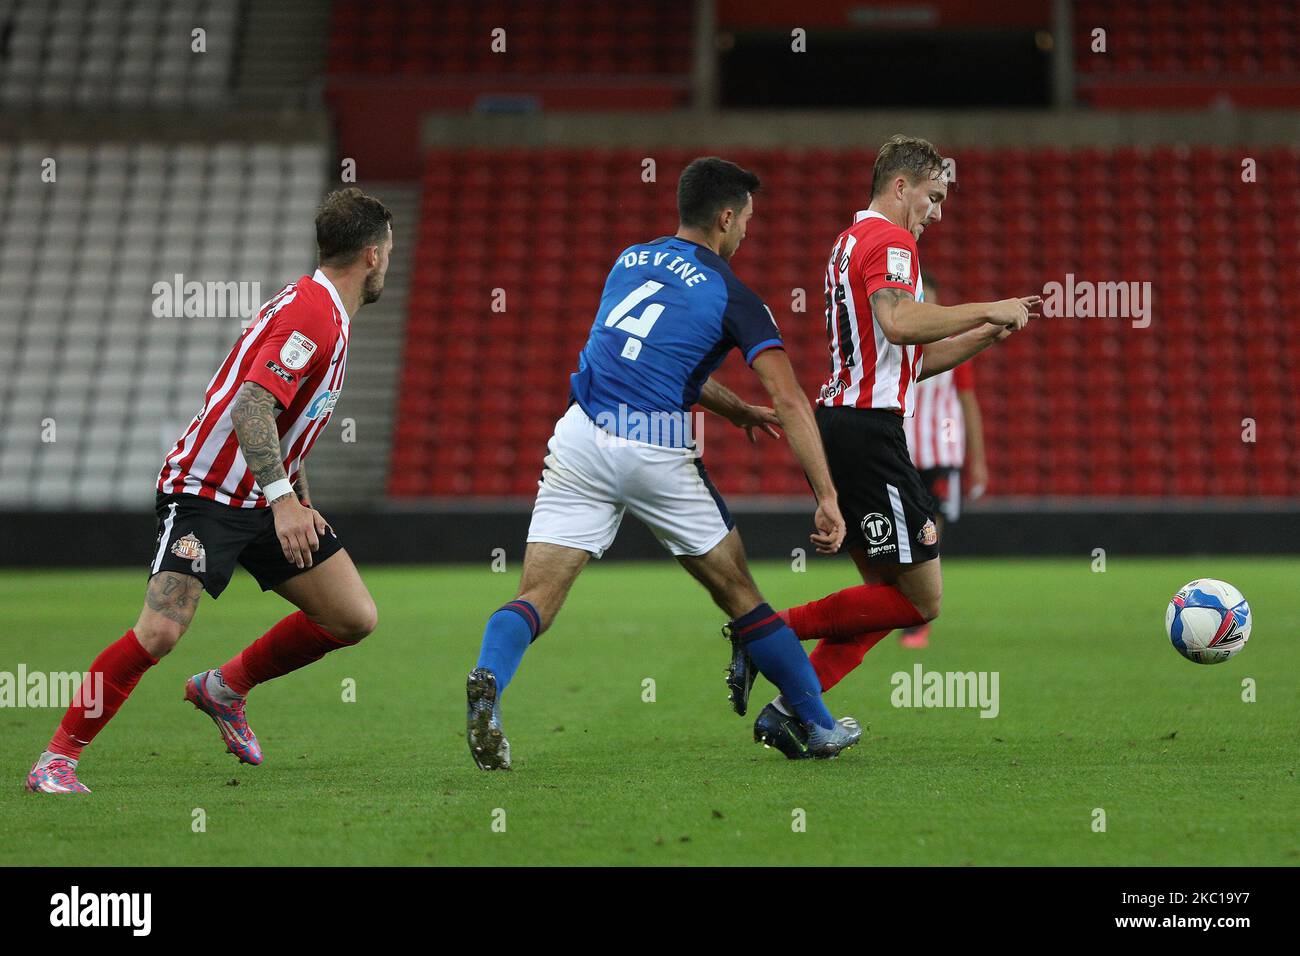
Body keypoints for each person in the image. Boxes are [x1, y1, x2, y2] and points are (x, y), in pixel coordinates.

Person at [465, 157, 861, 770]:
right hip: (653, 446)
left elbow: (646, 355)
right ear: (726, 217)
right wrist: (827, 494)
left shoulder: (630, 260)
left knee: (537, 594)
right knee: (739, 593)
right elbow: (790, 396)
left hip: (580, 435)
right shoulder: (735, 294)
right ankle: (817, 722)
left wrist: (733, 411)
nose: (748, 233)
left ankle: (489, 677)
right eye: (747, 221)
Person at [25, 188, 391, 793]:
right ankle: (55, 761)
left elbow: (283, 422)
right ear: (374, 256)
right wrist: (282, 501)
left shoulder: (328, 315)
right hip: (208, 492)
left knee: (351, 616)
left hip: (266, 497)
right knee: (160, 631)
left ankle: (223, 688)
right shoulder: (313, 314)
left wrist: (296, 495)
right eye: (391, 251)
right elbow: (253, 407)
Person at [727, 136, 1039, 757]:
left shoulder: (849, 243)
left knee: (885, 603)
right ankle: (765, 633)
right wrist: (989, 304)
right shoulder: (892, 242)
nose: (937, 212)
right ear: (902, 187)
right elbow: (899, 322)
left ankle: (794, 714)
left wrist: (985, 333)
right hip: (869, 434)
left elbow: (906, 363)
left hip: (847, 423)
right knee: (923, 602)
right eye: (934, 196)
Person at [898, 272, 990, 648]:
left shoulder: (954, 346)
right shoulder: (898, 342)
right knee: (905, 529)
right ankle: (906, 601)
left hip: (942, 450)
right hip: (903, 449)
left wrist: (977, 460)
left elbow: (967, 402)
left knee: (929, 528)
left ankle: (919, 611)